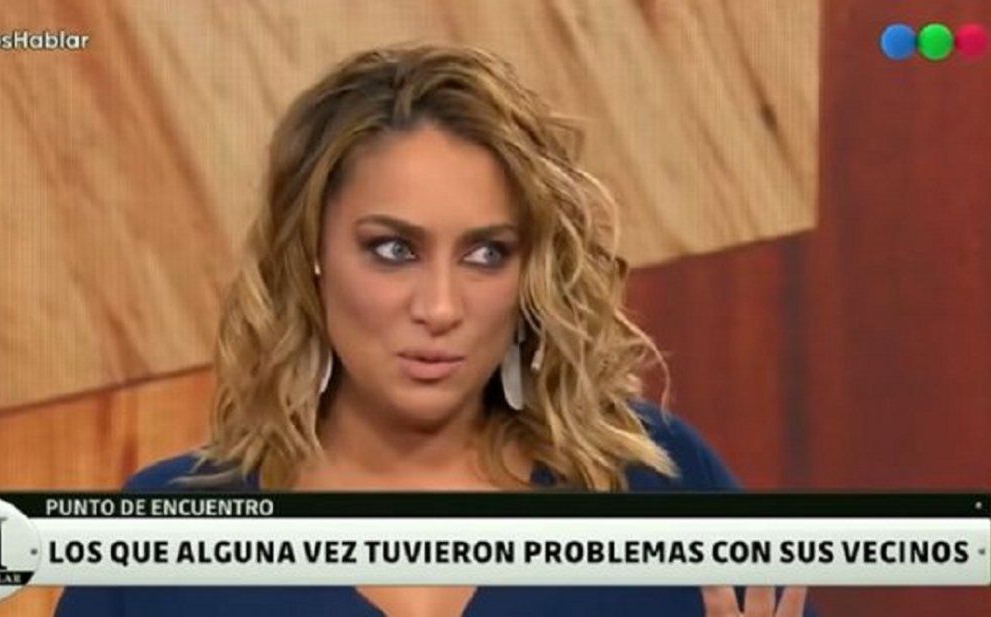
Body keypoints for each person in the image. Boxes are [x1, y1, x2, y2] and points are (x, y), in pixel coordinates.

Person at [55, 43, 811, 617]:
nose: (441, 307)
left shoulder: (656, 482)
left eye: (486, 253)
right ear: (312, 253)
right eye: (393, 250)